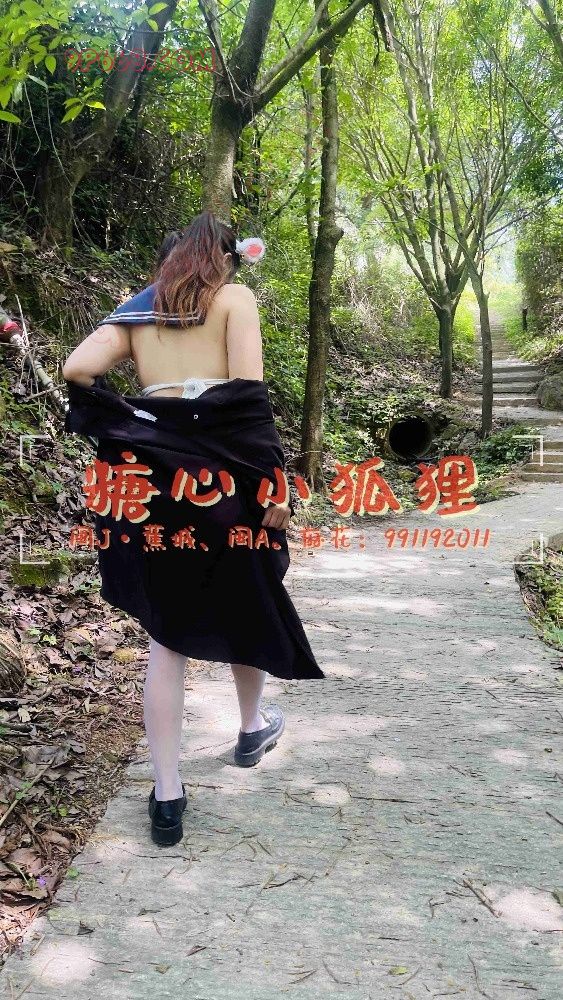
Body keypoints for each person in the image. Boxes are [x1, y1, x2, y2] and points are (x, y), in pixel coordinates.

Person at [62, 210, 324, 847]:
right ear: (225, 257)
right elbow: (247, 401)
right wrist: (275, 481)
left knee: (166, 635)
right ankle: (251, 729)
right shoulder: (234, 299)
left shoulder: (140, 312)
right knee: (246, 596)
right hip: (224, 478)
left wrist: (135, 418)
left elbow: (77, 368)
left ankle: (167, 793)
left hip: (157, 482)